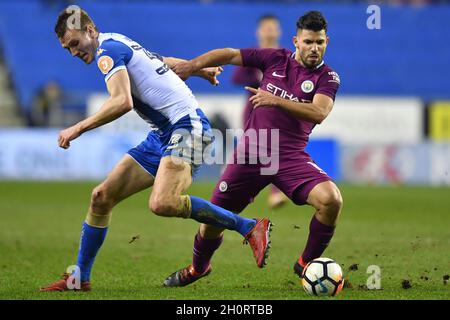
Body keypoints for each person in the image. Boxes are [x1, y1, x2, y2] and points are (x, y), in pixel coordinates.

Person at [40, 6, 271, 292]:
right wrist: (198, 69)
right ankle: (79, 279)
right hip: (163, 134)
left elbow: (122, 101)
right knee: (100, 197)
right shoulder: (117, 41)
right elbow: (159, 62)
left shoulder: (107, 51)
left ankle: (248, 226)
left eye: (74, 44)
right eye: (67, 49)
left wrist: (77, 128)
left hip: (188, 128)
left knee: (162, 202)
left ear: (89, 31)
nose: (73, 52)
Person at [164, 11, 342, 287]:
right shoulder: (274, 58)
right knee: (212, 219)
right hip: (253, 152)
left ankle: (305, 263)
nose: (314, 48)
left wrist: (275, 100)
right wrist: (191, 67)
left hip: (290, 156)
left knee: (331, 200)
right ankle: (198, 268)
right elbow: (228, 53)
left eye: (319, 42)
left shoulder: (328, 77)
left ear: (327, 42)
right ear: (296, 41)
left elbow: (318, 112)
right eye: (308, 41)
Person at [231, 14, 289, 210]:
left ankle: (269, 191)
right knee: (254, 151)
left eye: (273, 27)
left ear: (279, 30)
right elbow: (236, 78)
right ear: (259, 31)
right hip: (254, 109)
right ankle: (255, 190)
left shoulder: (287, 56)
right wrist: (257, 78)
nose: (270, 30)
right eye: (266, 27)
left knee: (274, 149)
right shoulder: (252, 55)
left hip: (279, 109)